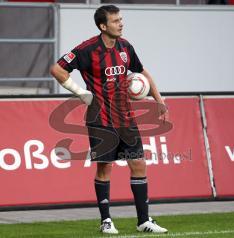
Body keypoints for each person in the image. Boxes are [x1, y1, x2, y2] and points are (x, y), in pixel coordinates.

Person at [50, 5, 168, 234]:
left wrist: (159, 100)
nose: (121, 24)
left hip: (125, 117)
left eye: (121, 19)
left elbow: (143, 73)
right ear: (103, 26)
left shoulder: (125, 47)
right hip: (100, 118)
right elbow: (57, 69)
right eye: (115, 21)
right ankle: (106, 221)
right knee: (105, 168)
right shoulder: (87, 50)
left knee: (139, 164)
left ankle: (144, 221)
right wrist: (80, 92)